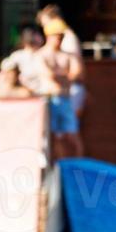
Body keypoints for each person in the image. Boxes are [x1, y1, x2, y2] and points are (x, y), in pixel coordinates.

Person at [35, 19, 83, 159]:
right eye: (57, 36)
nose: (60, 39)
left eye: (61, 36)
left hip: (65, 99)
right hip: (49, 99)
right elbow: (48, 76)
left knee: (72, 136)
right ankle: (59, 168)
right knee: (54, 137)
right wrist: (64, 75)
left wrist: (58, 75)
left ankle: (77, 167)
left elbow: (77, 74)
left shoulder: (67, 55)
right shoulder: (41, 55)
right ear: (49, 36)